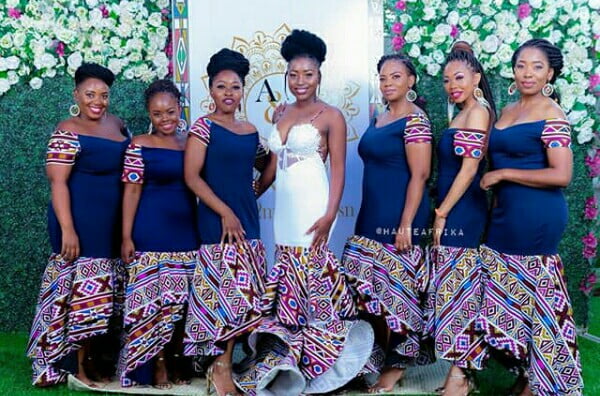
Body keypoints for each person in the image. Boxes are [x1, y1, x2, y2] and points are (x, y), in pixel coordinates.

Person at [234, 29, 373, 396]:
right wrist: (247, 197)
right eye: (293, 75)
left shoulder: (332, 116)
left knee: (315, 278)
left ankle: (324, 366)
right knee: (288, 276)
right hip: (285, 214)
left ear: (319, 76)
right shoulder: (281, 113)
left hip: (314, 206)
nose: (300, 81)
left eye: (307, 74)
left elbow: (339, 169)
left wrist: (330, 216)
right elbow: (272, 168)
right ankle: (290, 364)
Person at [477, 38, 583, 396]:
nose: (527, 73)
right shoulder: (506, 110)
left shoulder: (552, 114)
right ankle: (527, 371)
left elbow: (561, 175)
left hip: (537, 217)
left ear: (551, 73)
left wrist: (504, 174)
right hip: (504, 213)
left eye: (537, 67)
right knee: (504, 294)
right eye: (521, 65)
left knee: (537, 298)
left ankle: (545, 380)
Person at [27, 63, 130, 387]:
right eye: (90, 94)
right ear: (76, 95)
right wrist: (68, 229)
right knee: (77, 295)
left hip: (110, 223)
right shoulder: (66, 130)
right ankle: (74, 366)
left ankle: (98, 360)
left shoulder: (118, 125)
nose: (97, 101)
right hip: (78, 224)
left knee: (102, 296)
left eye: (103, 95)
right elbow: (58, 184)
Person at [341, 53, 433, 393]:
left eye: (396, 76)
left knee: (398, 294)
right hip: (370, 214)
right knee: (370, 293)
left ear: (411, 81)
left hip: (399, 216)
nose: (388, 83)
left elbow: (420, 175)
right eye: (382, 77)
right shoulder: (381, 116)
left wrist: (407, 222)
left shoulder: (416, 121)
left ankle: (398, 365)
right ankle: (375, 358)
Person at [183, 48, 270, 396]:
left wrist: (251, 196)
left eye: (235, 87)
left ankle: (225, 363)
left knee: (244, 298)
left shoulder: (250, 131)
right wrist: (226, 211)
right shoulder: (203, 128)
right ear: (211, 90)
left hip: (247, 224)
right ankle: (219, 367)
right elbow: (192, 177)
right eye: (221, 87)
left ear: (243, 90)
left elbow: (269, 165)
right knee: (222, 296)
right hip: (216, 223)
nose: (229, 94)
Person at [118, 80, 198, 388]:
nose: (165, 119)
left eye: (171, 111)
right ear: (149, 115)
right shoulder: (138, 144)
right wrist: (127, 236)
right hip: (151, 231)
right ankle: (158, 366)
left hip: (187, 232)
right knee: (156, 304)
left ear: (180, 108)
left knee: (182, 304)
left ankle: (178, 360)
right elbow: (131, 191)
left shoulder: (191, 141)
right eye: (157, 114)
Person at [428, 41, 495, 395]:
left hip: (462, 213)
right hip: (455, 210)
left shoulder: (478, 112)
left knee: (461, 293)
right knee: (453, 292)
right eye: (446, 80)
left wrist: (441, 213)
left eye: (459, 78)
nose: (452, 85)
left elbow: (469, 170)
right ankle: (458, 372)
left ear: (476, 79)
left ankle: (460, 378)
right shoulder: (461, 112)